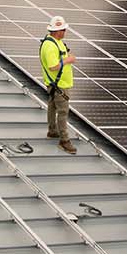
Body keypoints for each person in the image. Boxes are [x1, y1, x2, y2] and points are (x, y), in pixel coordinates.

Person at [39, 16, 77, 154]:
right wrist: (68, 60)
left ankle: (52, 131)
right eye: (63, 30)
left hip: (59, 84)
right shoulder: (50, 45)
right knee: (63, 111)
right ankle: (64, 140)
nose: (65, 32)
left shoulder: (57, 42)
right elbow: (53, 66)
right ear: (57, 31)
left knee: (52, 106)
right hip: (59, 85)